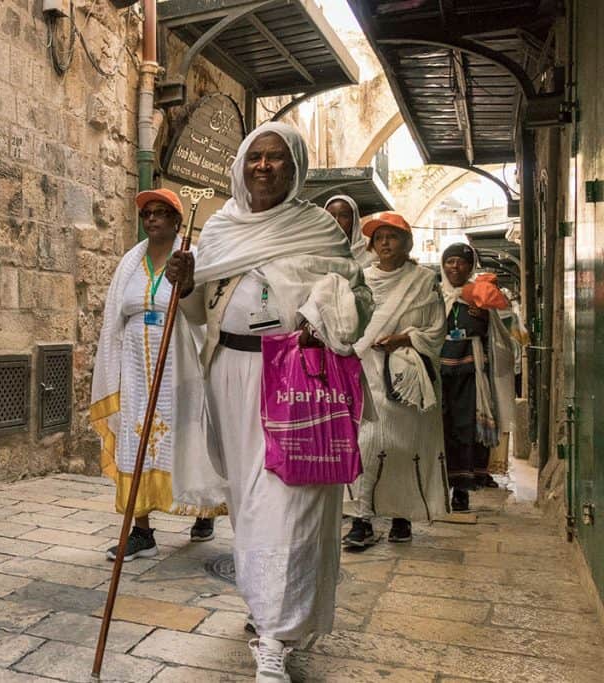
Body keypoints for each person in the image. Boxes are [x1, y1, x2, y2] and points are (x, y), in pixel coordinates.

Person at [166, 122, 373, 682]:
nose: (263, 166)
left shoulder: (318, 230)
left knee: (293, 499)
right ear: (240, 165)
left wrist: (323, 318)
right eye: (254, 156)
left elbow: (357, 299)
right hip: (229, 376)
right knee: (251, 502)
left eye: (276, 158)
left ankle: (277, 637)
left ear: (296, 167)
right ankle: (265, 609)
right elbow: (195, 313)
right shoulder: (218, 232)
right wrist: (183, 284)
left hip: (296, 378)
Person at [90, 188, 228, 562]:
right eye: (147, 213)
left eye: (160, 213)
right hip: (136, 364)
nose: (151, 219)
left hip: (180, 364)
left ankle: (203, 510)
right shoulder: (129, 263)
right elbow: (115, 319)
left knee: (188, 435)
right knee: (136, 439)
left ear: (176, 221)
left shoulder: (193, 259)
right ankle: (141, 531)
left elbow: (204, 313)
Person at [342, 212, 448, 549]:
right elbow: (346, 322)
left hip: (405, 380)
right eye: (380, 237)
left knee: (404, 449)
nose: (386, 243)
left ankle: (402, 517)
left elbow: (436, 330)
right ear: (371, 245)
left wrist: (403, 338)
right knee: (367, 445)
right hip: (365, 373)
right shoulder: (360, 279)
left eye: (393, 236)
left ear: (407, 243)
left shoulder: (424, 280)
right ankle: (362, 520)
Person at [439, 243, 516, 511]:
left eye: (461, 262)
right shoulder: (434, 295)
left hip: (470, 376)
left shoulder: (482, 296)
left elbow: (501, 332)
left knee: (466, 430)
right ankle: (436, 488)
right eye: (450, 261)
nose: (455, 267)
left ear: (470, 267)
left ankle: (461, 491)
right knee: (439, 430)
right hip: (438, 375)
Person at [324, 194, 372, 267]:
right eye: (330, 216)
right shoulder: (316, 249)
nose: (336, 221)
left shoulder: (371, 250)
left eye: (344, 216)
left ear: (354, 220)